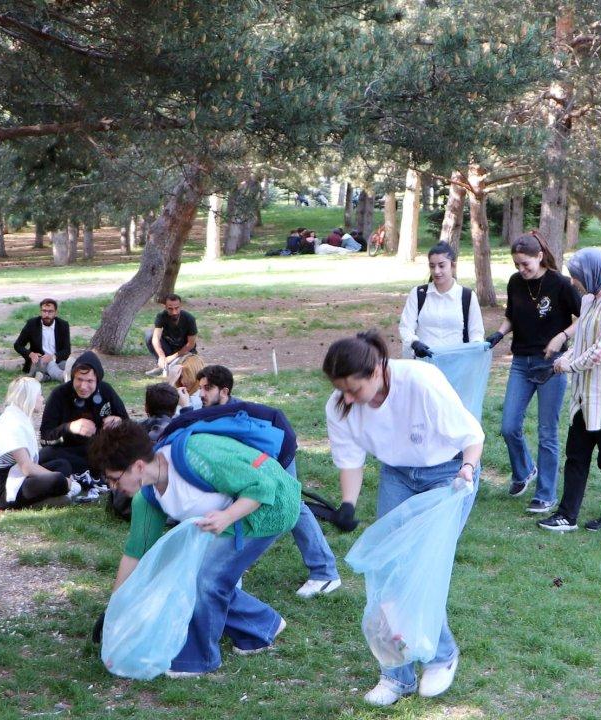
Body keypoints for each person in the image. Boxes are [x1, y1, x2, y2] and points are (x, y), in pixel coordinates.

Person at [321, 330, 483, 705]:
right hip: (397, 474)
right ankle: (396, 676)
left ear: (377, 370)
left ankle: (442, 656)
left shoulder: (421, 381)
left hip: (450, 476)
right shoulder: (340, 406)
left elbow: (471, 436)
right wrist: (348, 504)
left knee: (419, 569)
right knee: (387, 571)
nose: (346, 398)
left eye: (352, 389)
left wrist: (468, 471)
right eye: (339, 389)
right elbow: (351, 460)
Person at [92, 420, 300, 678]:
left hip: (271, 506)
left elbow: (262, 487)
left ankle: (200, 659)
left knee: (206, 580)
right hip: (227, 519)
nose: (113, 487)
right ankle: (261, 625)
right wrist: (114, 607)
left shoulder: (195, 457)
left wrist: (228, 516)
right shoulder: (147, 498)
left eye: (114, 478)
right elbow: (136, 553)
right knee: (194, 575)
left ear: (137, 466)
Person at [186, 363, 343, 598]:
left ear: (225, 391)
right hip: (258, 463)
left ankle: (325, 572)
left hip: (278, 454)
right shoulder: (213, 409)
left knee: (293, 506)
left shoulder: (238, 415)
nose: (201, 393)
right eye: (201, 388)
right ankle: (232, 569)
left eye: (208, 388)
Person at [535, 249, 601, 532]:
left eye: (576, 275)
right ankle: (567, 516)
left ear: (592, 273)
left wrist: (569, 367)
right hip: (585, 395)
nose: (573, 281)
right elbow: (582, 342)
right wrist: (564, 359)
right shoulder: (590, 299)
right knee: (576, 456)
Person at [486, 235, 581, 513]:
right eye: (517, 264)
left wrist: (561, 336)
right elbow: (512, 316)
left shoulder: (560, 284)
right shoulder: (516, 282)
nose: (521, 269)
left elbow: (586, 317)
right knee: (508, 426)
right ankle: (525, 470)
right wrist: (499, 334)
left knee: (547, 431)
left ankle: (546, 494)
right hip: (521, 362)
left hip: (551, 365)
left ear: (539, 255)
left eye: (525, 263)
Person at [0, 377, 99, 510]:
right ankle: (50, 499)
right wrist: (66, 481)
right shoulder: (12, 425)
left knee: (62, 464)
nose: (42, 399)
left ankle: (53, 497)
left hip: (14, 473)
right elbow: (27, 467)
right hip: (1, 490)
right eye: (40, 395)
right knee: (59, 480)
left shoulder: (19, 417)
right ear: (30, 398)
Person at [39, 350, 128, 474]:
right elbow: (44, 439)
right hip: (70, 450)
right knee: (45, 455)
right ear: (72, 377)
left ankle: (94, 470)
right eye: (79, 379)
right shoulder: (59, 395)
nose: (83, 386)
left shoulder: (106, 391)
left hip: (102, 449)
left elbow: (127, 423)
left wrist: (118, 421)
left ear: (97, 380)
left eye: (89, 381)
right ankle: (97, 471)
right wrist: (69, 428)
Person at [398, 242, 485, 359]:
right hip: (423, 365)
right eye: (432, 266)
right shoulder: (418, 294)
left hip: (456, 364)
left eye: (441, 265)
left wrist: (473, 352)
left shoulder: (467, 296)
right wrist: (414, 343)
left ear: (453, 266)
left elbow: (476, 333)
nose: (436, 271)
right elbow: (406, 327)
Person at [13, 298, 72, 382]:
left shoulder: (63, 325)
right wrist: (30, 354)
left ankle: (44, 377)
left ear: (56, 313)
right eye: (44, 311)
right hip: (38, 361)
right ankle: (64, 377)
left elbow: (67, 350)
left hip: (57, 360)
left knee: (72, 365)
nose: (46, 314)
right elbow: (18, 345)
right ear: (41, 311)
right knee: (50, 364)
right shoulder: (32, 324)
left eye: (50, 311)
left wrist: (52, 357)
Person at [144, 294, 198, 373]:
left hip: (185, 350)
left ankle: (167, 366)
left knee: (184, 368)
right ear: (165, 307)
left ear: (181, 306)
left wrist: (173, 356)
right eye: (170, 309)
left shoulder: (189, 319)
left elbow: (191, 344)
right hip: (169, 348)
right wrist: (162, 356)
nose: (174, 312)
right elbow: (155, 338)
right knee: (149, 335)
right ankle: (162, 364)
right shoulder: (161, 316)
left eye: (177, 308)